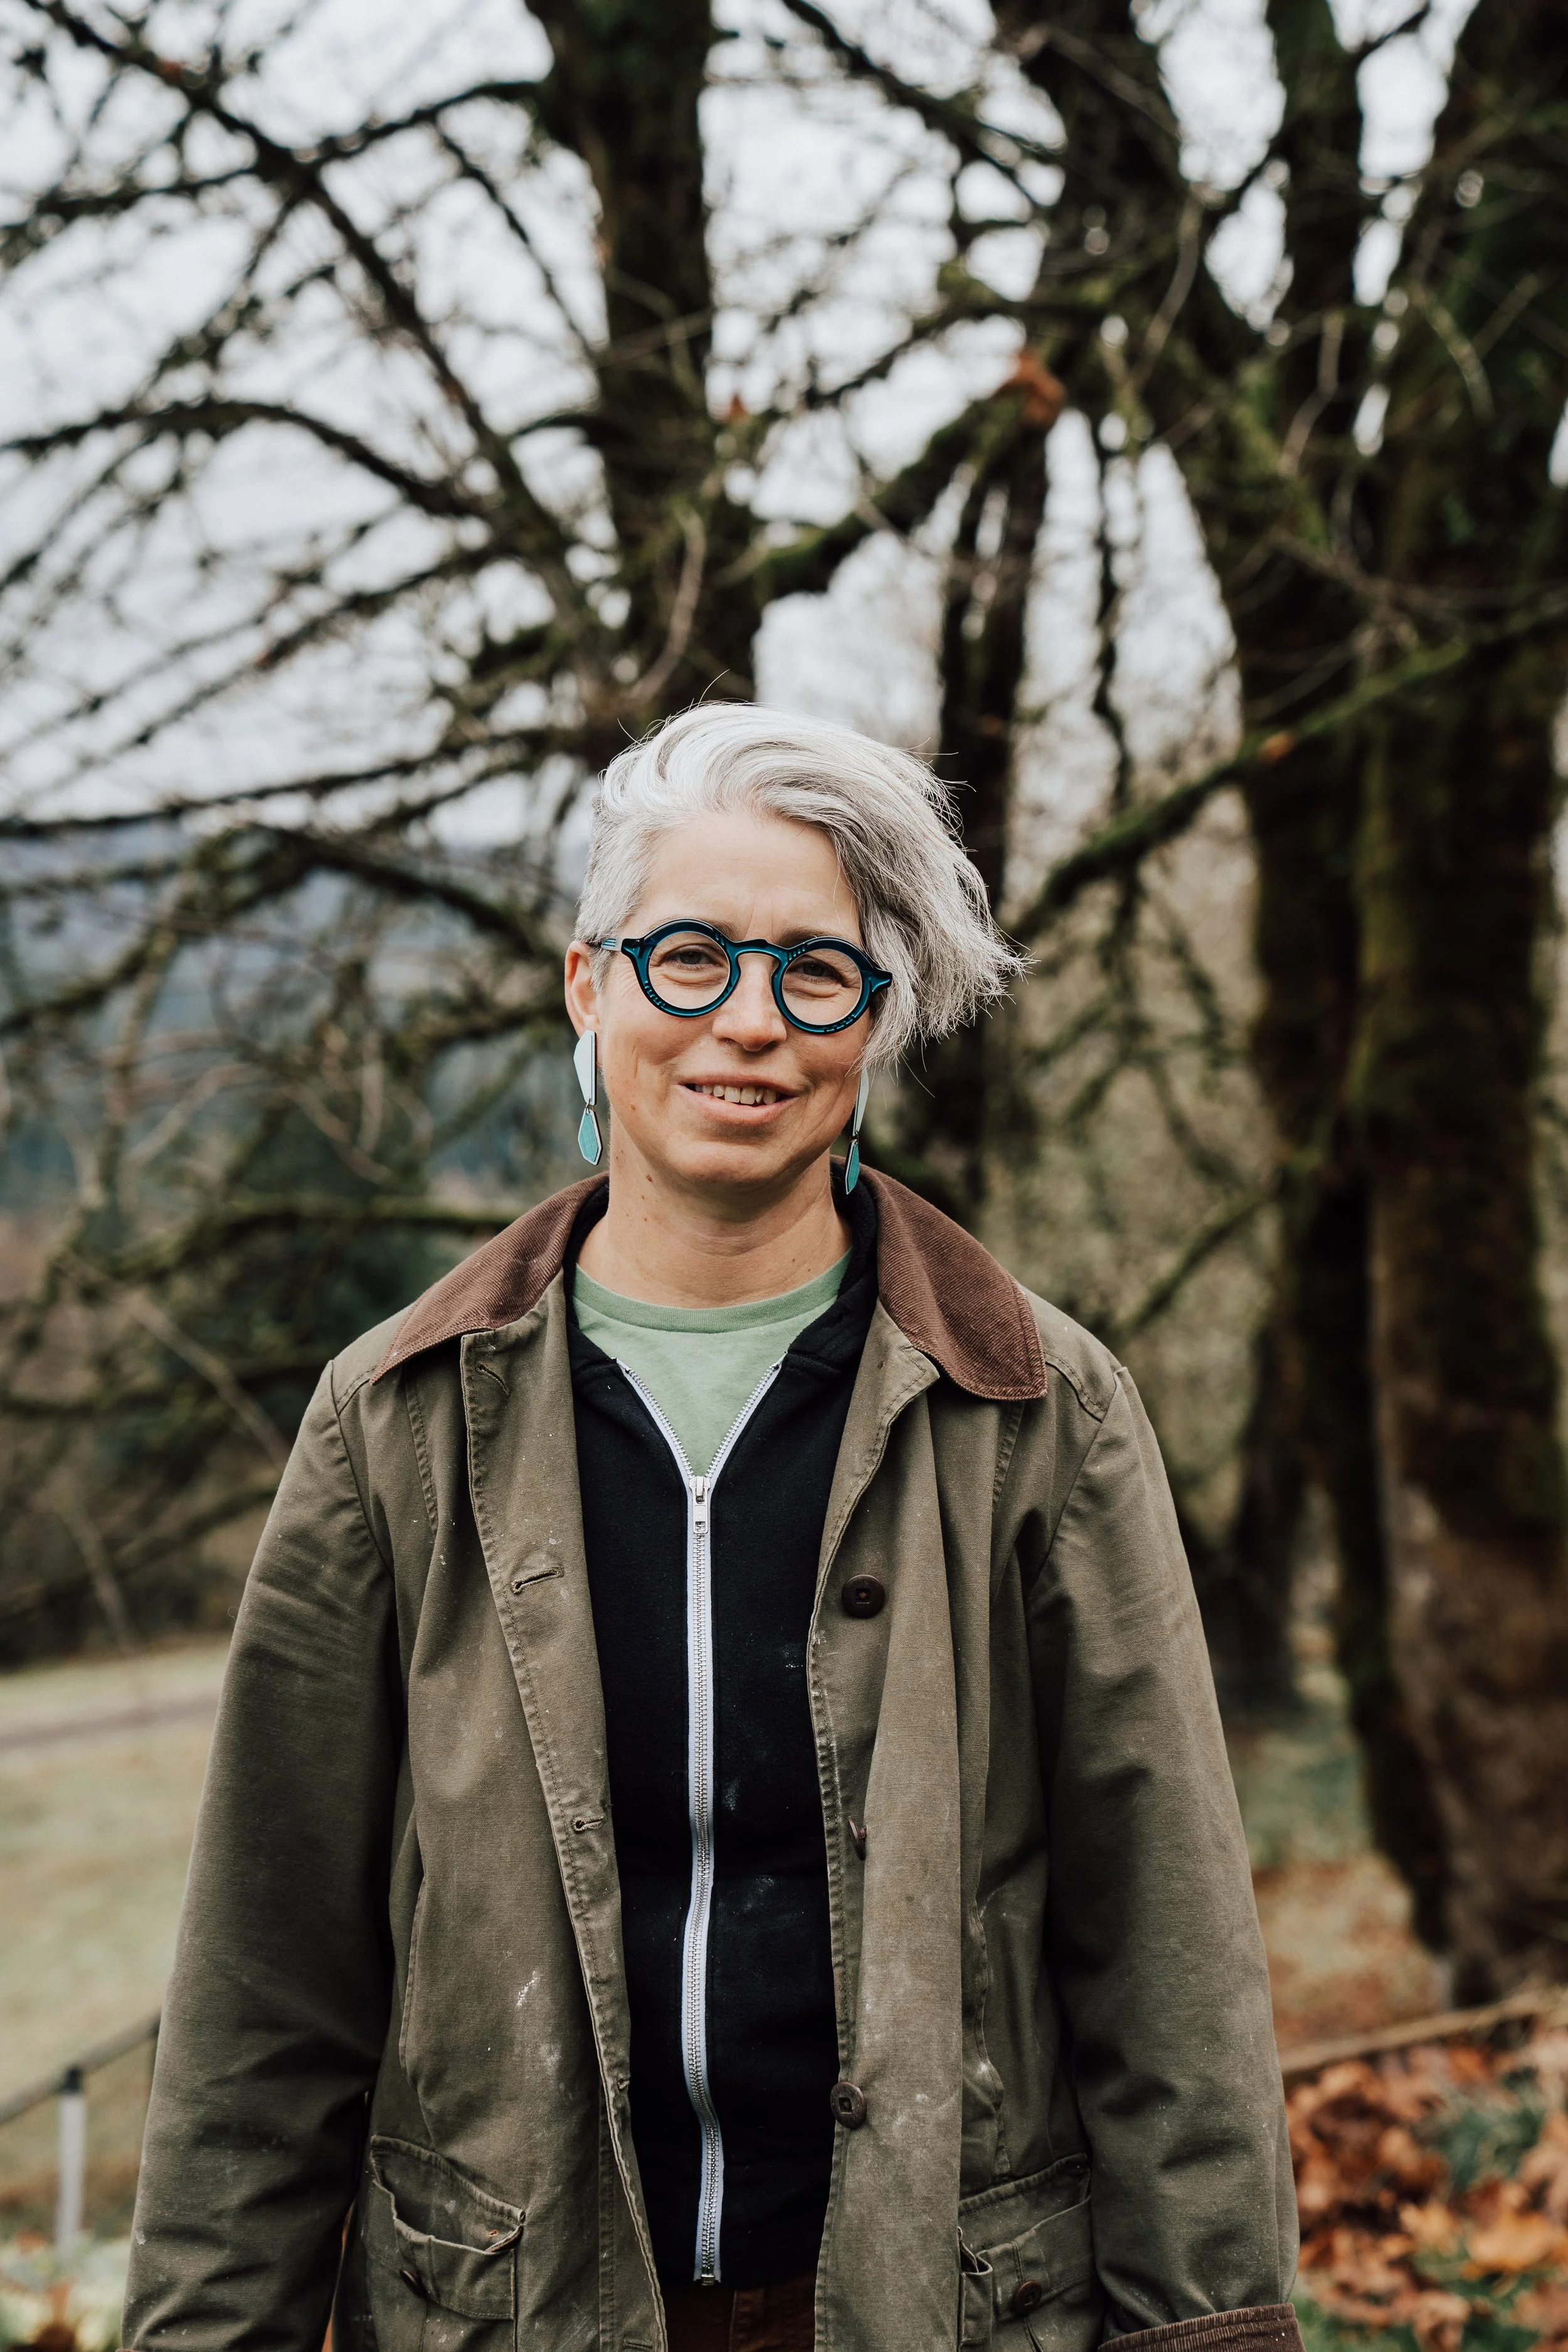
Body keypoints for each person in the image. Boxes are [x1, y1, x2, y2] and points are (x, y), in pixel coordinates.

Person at [123, 705, 1301, 2352]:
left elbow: (1164, 1969)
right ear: (587, 982)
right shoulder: (396, 1420)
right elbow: (266, 1981)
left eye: (815, 972)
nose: (746, 1021)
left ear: (875, 1021)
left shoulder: (1038, 1409)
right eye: (687, 957)